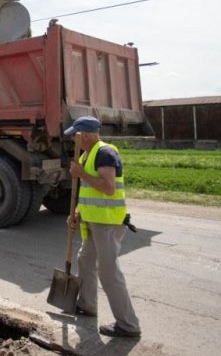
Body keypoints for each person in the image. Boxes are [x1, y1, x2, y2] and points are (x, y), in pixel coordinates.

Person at [65, 115, 141, 338]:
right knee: (85, 259)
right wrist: (77, 213)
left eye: (75, 136)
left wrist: (81, 174)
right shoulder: (88, 153)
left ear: (85, 135)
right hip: (94, 222)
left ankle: (128, 325)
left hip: (107, 223)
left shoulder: (105, 152)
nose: (72, 140)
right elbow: (88, 193)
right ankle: (87, 304)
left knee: (109, 273)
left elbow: (107, 188)